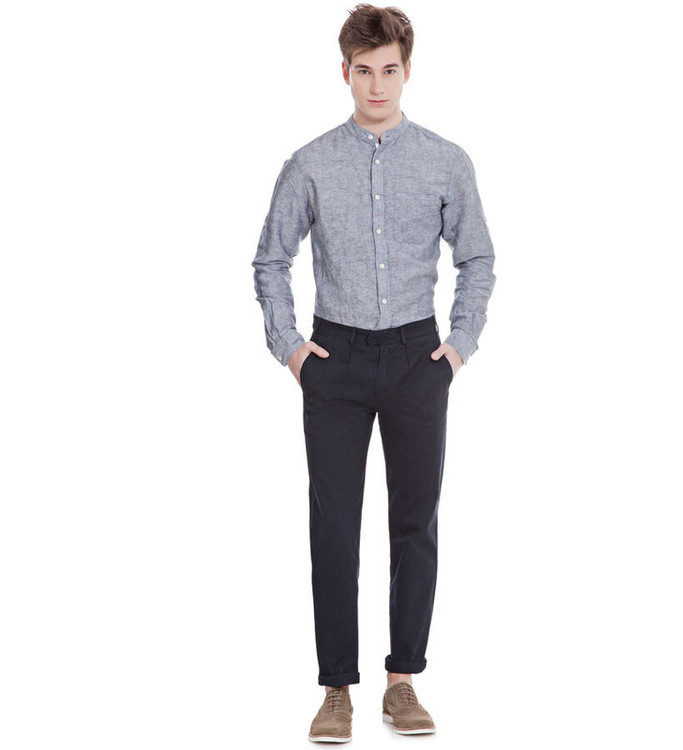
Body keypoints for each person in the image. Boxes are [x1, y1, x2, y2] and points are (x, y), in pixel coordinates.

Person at [252, 3, 496, 742]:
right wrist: (291, 347)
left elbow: (477, 257)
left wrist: (458, 345)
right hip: (335, 359)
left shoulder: (447, 160)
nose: (378, 85)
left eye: (390, 70)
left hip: (419, 357)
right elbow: (271, 259)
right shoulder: (310, 162)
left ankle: (403, 681)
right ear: (345, 73)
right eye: (364, 71)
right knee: (334, 526)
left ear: (407, 70)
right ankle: (336, 690)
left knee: (414, 522)